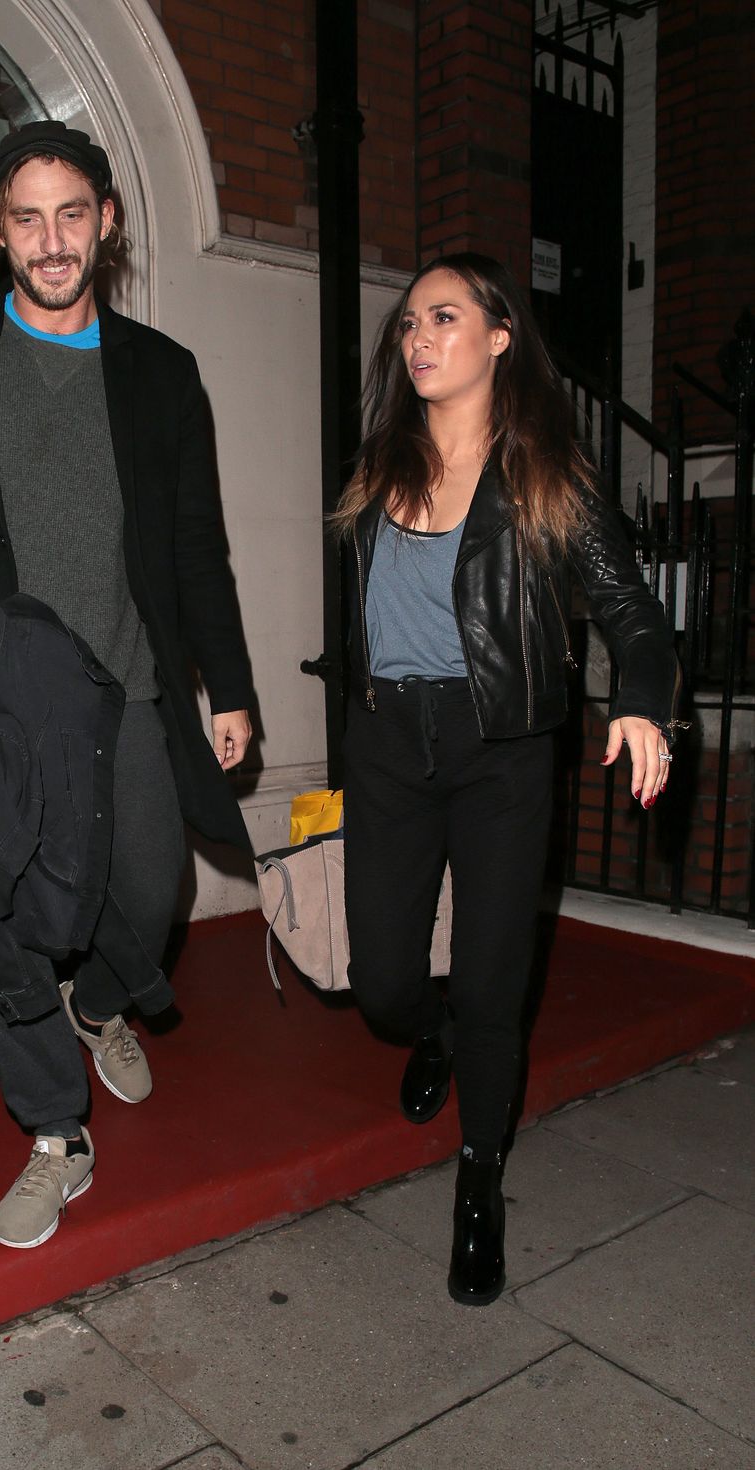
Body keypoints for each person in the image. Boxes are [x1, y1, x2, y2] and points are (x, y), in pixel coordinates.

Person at [0, 120, 253, 1249]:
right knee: (0, 910)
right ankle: (53, 1133)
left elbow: (195, 545)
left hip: (127, 688)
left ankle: (100, 999)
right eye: (25, 219)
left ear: (106, 221)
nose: (50, 240)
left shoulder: (162, 374)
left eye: (70, 213)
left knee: (151, 895)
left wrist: (227, 686)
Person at [334, 252, 683, 1306]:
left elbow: (634, 617)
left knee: (494, 984)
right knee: (382, 984)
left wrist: (641, 701)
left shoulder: (545, 477)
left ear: (497, 337)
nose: (417, 337)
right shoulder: (378, 465)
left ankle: (479, 1178)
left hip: (501, 751)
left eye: (442, 317)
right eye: (408, 323)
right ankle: (431, 1031)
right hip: (387, 744)